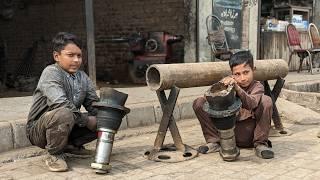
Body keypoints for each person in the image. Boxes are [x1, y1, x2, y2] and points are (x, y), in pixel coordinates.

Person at [26, 32, 99, 172]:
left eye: (79, 55)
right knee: (64, 113)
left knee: (110, 115)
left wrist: (106, 115)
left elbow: (93, 104)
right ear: (56, 56)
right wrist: (87, 120)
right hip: (39, 130)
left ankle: (71, 146)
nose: (77, 60)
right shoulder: (51, 73)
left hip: (69, 125)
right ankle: (55, 154)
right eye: (70, 55)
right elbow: (60, 104)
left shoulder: (83, 77)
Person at [193, 50, 274, 159]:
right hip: (227, 136)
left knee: (266, 100)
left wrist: (238, 89)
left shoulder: (257, 86)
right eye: (237, 74)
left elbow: (251, 103)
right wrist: (221, 86)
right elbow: (208, 99)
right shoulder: (229, 83)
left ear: (253, 70)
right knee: (199, 102)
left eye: (246, 72)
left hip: (249, 136)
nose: (242, 78)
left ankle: (260, 144)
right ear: (232, 74)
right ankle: (214, 142)